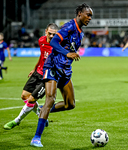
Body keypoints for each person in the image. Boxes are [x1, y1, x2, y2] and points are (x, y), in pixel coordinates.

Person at [30, 3, 93, 147]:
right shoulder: (69, 27)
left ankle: (42, 110)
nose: (89, 18)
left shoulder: (80, 32)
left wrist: (68, 57)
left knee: (70, 104)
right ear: (79, 14)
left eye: (91, 16)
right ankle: (36, 138)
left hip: (65, 70)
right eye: (87, 15)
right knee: (50, 98)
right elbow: (54, 41)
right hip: (52, 67)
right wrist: (67, 53)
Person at [3, 23, 58, 130]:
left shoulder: (57, 46)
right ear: (46, 31)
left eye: (54, 34)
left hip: (47, 76)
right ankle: (40, 113)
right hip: (37, 72)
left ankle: (16, 121)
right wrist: (34, 68)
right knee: (24, 96)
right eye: (50, 33)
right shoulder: (41, 41)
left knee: (32, 99)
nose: (51, 36)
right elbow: (42, 56)